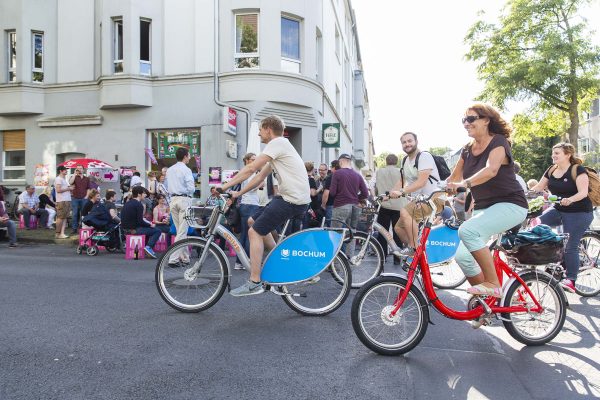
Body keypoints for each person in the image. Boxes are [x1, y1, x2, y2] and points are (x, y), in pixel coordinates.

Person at [220, 115, 310, 296]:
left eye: (261, 130)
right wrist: (238, 193)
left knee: (255, 232)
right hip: (288, 197)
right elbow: (259, 177)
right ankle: (279, 258)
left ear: (268, 129)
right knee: (253, 222)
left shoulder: (277, 143)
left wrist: (225, 186)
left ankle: (254, 282)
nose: (259, 134)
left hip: (292, 199)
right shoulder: (279, 149)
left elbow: (251, 168)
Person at [446, 103, 528, 298]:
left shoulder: (498, 141)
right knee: (463, 257)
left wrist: (465, 184)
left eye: (471, 119)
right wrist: (440, 190)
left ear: (486, 120)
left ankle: (493, 283)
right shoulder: (467, 150)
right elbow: (452, 179)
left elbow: (491, 170)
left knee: (467, 230)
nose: (466, 123)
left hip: (511, 205)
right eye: (464, 120)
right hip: (483, 209)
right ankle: (487, 304)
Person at [530, 143, 594, 292]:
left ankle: (571, 279)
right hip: (559, 209)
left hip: (579, 212)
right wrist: (522, 195)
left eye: (557, 153)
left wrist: (570, 199)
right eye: (553, 153)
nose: (554, 156)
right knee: (536, 224)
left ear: (567, 155)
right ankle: (550, 258)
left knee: (570, 245)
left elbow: (583, 193)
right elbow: (538, 187)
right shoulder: (551, 170)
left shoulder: (578, 170)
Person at [389, 132, 444, 257]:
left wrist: (402, 191)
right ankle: (418, 256)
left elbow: (421, 182)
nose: (407, 144)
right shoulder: (405, 160)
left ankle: (414, 249)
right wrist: (388, 194)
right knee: (398, 228)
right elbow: (402, 181)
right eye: (404, 142)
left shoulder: (424, 156)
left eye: (410, 141)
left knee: (405, 212)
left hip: (434, 199)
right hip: (420, 200)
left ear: (416, 141)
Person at [166, 147, 195, 266]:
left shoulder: (170, 170)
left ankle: (185, 258)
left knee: (180, 231)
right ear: (185, 156)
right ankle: (173, 259)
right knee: (182, 231)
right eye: (189, 155)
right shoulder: (186, 170)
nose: (189, 157)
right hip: (184, 200)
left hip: (173, 199)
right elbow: (191, 188)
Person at [374, 153, 405, 264]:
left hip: (384, 205)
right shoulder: (401, 172)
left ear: (386, 161)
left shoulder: (379, 172)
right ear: (396, 161)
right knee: (397, 232)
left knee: (383, 232)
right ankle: (397, 258)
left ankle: (382, 255)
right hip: (398, 206)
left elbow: (376, 188)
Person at [330, 153, 369, 238]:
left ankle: (336, 251)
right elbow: (365, 193)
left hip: (340, 206)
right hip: (355, 206)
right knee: (352, 235)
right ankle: (349, 252)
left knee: (335, 234)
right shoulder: (358, 175)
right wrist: (356, 198)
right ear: (350, 162)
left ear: (340, 162)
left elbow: (332, 193)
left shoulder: (337, 173)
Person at [234, 153, 261, 270]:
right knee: (250, 235)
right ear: (246, 160)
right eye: (253, 159)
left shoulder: (248, 172)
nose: (255, 161)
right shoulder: (249, 173)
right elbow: (252, 187)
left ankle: (240, 262)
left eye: (256, 159)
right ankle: (245, 261)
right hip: (249, 205)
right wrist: (261, 181)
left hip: (249, 205)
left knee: (246, 235)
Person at [121, 185, 161, 259]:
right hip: (134, 230)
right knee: (157, 231)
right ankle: (148, 247)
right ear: (139, 194)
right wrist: (150, 225)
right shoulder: (139, 205)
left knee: (148, 230)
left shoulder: (128, 203)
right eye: (144, 193)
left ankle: (144, 249)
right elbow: (140, 221)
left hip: (125, 229)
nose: (145, 195)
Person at [69, 164, 89, 233]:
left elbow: (88, 189)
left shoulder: (86, 178)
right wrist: (74, 174)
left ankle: (83, 227)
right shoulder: (73, 177)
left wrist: (86, 196)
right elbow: (70, 182)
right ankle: (74, 228)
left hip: (84, 198)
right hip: (75, 198)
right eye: (78, 168)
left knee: (83, 214)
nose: (79, 170)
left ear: (83, 169)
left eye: (80, 168)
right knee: (75, 214)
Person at [54, 166, 73, 239]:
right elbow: (58, 190)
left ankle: (62, 233)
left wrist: (70, 190)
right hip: (61, 200)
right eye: (65, 170)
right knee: (60, 217)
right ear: (60, 171)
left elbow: (64, 189)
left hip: (67, 200)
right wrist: (68, 188)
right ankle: (57, 233)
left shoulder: (64, 179)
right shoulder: (58, 179)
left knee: (65, 217)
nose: (66, 171)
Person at [320, 160, 339, 226]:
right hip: (342, 205)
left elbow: (326, 194)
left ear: (333, 167)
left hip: (331, 205)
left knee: (331, 227)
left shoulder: (330, 177)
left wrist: (323, 205)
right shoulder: (343, 176)